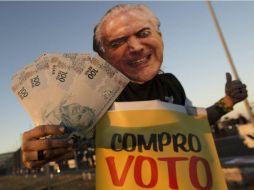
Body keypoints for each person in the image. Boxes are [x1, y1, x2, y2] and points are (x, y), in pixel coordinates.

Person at [21, 4, 248, 169]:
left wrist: (228, 102)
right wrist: (40, 152)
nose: (136, 47)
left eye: (143, 33)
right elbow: (63, 142)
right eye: (117, 42)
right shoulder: (91, 99)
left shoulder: (170, 84)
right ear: (102, 56)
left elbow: (195, 123)